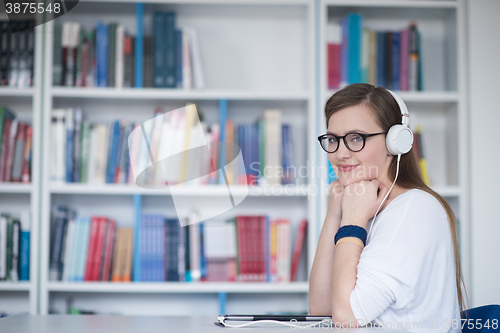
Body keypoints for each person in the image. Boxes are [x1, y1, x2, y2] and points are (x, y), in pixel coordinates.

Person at [308, 83, 469, 332]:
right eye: (333, 139)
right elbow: (320, 311)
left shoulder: (415, 208)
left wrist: (352, 220)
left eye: (355, 138)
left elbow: (345, 318)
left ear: (396, 142)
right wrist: (335, 215)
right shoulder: (365, 206)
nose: (340, 153)